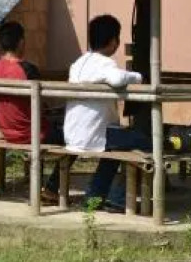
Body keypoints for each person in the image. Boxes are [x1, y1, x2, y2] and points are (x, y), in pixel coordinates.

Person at [43, 14, 148, 212]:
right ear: (113, 41)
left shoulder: (78, 63)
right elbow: (117, 79)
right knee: (143, 141)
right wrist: (138, 76)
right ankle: (115, 197)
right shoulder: (105, 64)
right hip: (97, 134)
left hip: (72, 132)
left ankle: (86, 194)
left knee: (115, 146)